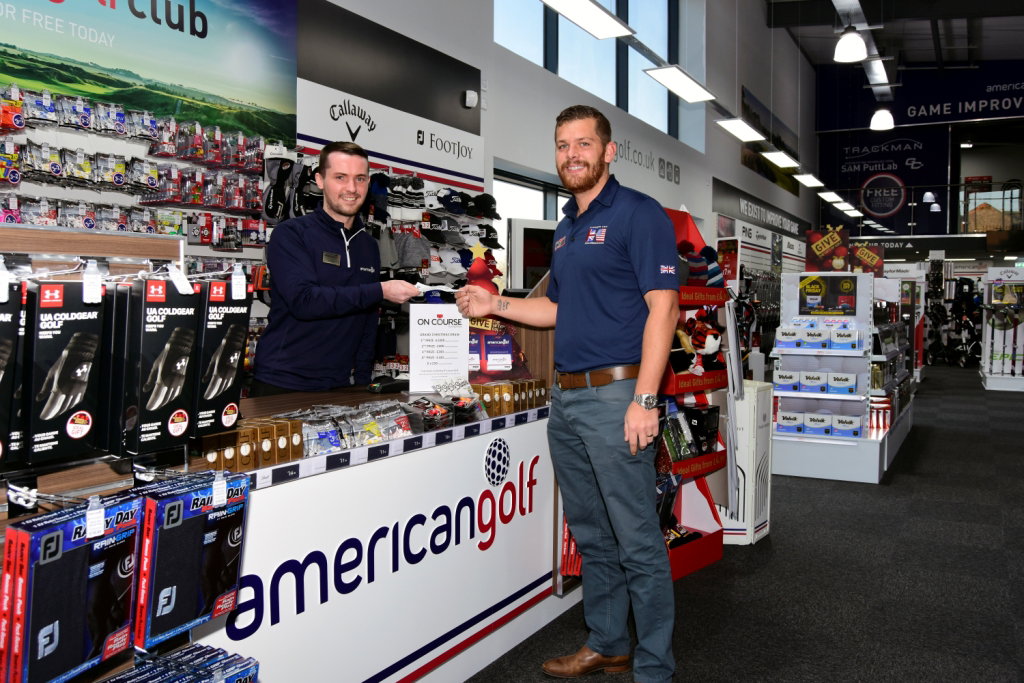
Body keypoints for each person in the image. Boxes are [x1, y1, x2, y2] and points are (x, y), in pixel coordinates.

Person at [456, 105, 679, 683]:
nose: (571, 154)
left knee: (637, 539)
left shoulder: (638, 213)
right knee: (592, 532)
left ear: (609, 152)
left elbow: (664, 309)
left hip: (618, 394)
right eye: (562, 145)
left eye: (583, 143)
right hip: (569, 399)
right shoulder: (566, 226)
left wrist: (647, 400)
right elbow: (558, 309)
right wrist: (495, 303)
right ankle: (608, 641)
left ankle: (655, 667)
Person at [252, 141, 419, 395]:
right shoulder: (291, 234)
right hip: (284, 382)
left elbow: (367, 319)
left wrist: (362, 379)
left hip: (345, 384)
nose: (351, 188)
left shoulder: (368, 245)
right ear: (319, 180)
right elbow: (304, 301)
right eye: (340, 177)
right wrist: (380, 290)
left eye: (360, 179)